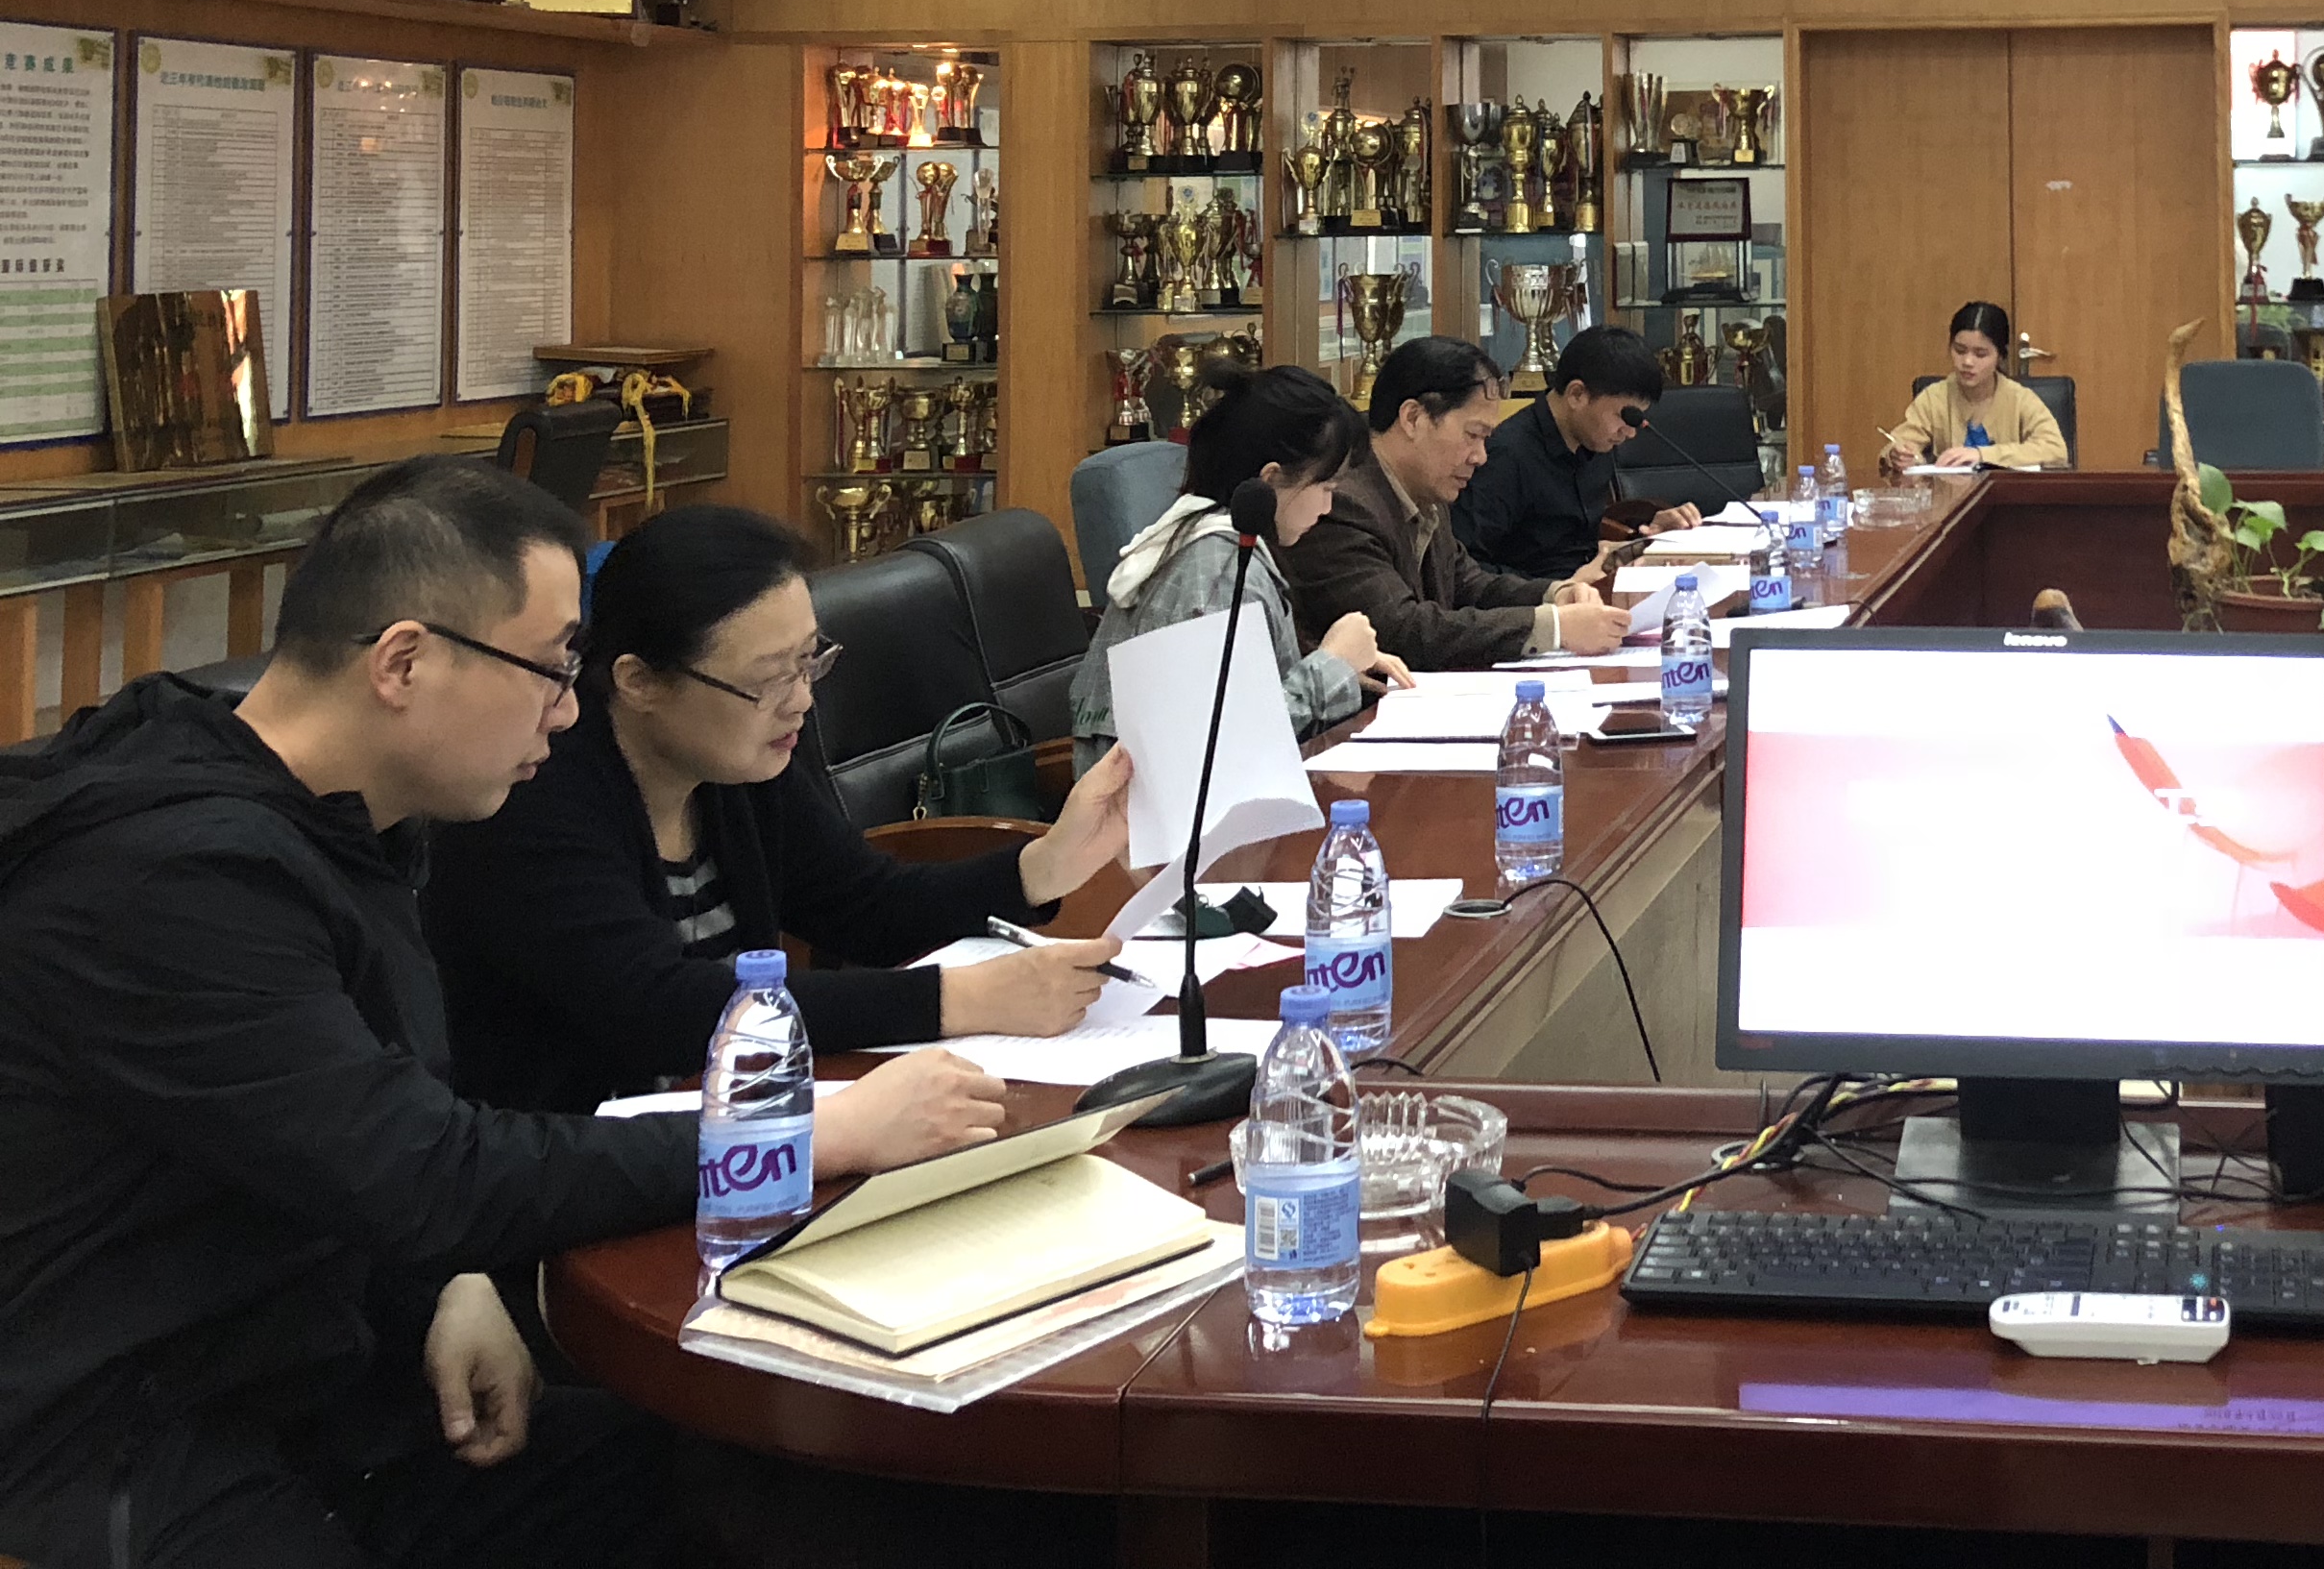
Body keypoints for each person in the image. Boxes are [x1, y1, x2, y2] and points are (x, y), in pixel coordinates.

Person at [0, 457, 1001, 1569]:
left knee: (791, 1484)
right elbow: (424, 1167)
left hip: (320, 1383)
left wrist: (447, 1283)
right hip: (124, 1444)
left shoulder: (342, 816)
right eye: (550, 669)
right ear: (403, 662)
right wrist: (808, 1137)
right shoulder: (175, 880)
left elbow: (353, 1127)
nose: (568, 712)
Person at [424, 504, 1140, 1116]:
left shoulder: (738, 764)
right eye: (769, 679)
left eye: (809, 661)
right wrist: (960, 998)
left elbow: (867, 906)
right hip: (587, 1165)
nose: (801, 700)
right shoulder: (531, 795)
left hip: (741, 1128)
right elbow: (659, 1010)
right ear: (638, 681)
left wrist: (1046, 865)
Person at [1069, 363, 1412, 769]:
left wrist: (1344, 669)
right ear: (1270, 480)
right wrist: (1332, 666)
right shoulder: (1220, 571)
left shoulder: (1207, 537)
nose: (1328, 507)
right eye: (1325, 487)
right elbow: (1224, 745)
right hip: (1159, 806)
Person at [1289, 338, 1628, 671]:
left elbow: (1468, 583)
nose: (1481, 457)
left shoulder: (1427, 489)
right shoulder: (1339, 502)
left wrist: (1557, 594)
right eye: (1472, 435)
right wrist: (1554, 627)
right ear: (1413, 418)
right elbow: (1400, 631)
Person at [1452, 324, 1698, 579]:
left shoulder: (1595, 442)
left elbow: (1583, 548)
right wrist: (1557, 589)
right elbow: (1467, 571)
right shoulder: (1505, 455)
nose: (1630, 433)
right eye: (1624, 416)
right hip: (1537, 599)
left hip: (1590, 589)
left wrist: (1647, 539)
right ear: (1577, 395)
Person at [1880, 302, 2071, 474]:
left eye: (1980, 354)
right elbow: (1899, 443)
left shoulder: (2020, 399)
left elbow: (2055, 451)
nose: (1968, 362)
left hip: (2008, 497)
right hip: (1950, 497)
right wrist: (1898, 455)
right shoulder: (1934, 397)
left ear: (2000, 356)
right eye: (1960, 351)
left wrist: (1982, 455)